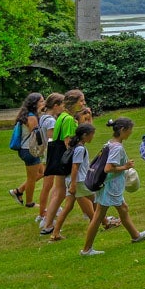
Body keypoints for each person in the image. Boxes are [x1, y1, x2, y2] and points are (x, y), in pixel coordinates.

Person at [81, 117, 145, 256]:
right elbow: (108, 168)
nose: (131, 133)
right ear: (122, 130)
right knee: (98, 218)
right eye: (130, 130)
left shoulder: (110, 143)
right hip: (110, 188)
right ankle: (86, 249)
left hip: (110, 187)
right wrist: (125, 167)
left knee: (123, 209)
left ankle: (135, 235)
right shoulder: (117, 147)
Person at [49, 123, 119, 240]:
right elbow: (75, 167)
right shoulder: (80, 148)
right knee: (98, 200)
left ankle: (55, 234)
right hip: (79, 182)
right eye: (92, 134)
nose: (93, 137)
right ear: (85, 135)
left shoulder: (75, 146)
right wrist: (73, 185)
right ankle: (106, 223)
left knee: (68, 207)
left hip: (72, 181)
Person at [39, 90, 80, 233]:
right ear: (73, 103)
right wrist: (76, 160)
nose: (83, 104)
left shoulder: (61, 116)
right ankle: (100, 219)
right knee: (72, 193)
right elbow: (68, 141)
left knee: (59, 193)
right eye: (81, 101)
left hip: (56, 158)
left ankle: (47, 224)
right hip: (65, 160)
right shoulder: (67, 119)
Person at [9, 93, 45, 209]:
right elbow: (36, 136)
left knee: (42, 172)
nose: (43, 103)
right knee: (31, 178)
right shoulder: (31, 117)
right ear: (34, 104)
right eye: (41, 101)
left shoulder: (28, 115)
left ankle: (18, 191)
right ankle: (29, 203)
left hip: (27, 150)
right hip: (30, 150)